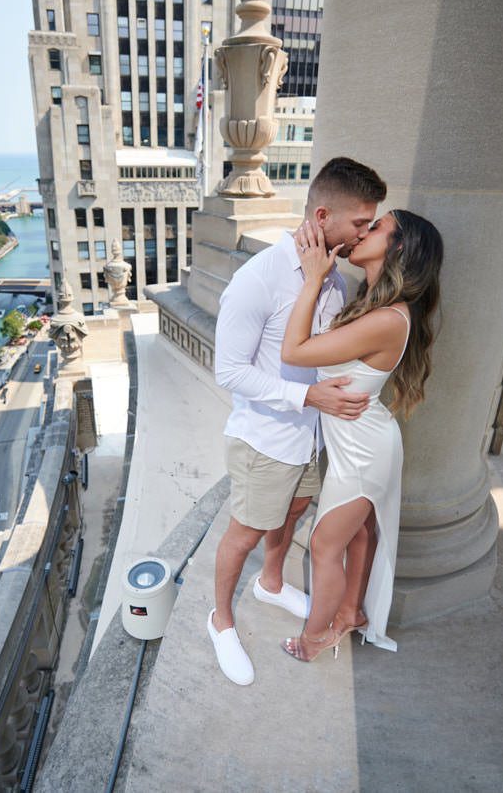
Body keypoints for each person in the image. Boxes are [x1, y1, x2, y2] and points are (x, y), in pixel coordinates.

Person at [207, 158, 387, 686]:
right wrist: (306, 396)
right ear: (325, 214)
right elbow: (230, 371)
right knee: (245, 533)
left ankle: (269, 582)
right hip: (264, 439)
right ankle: (219, 620)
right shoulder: (256, 280)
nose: (366, 233)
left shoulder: (335, 279)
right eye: (361, 223)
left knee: (293, 515)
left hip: (311, 437)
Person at [279, 208, 443, 661]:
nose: (364, 232)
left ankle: (313, 641)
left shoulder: (389, 318)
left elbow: (294, 351)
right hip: (363, 441)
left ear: (399, 248)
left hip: (364, 451)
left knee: (323, 544)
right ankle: (351, 612)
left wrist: (313, 278)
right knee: (359, 533)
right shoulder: (375, 303)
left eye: (377, 227)